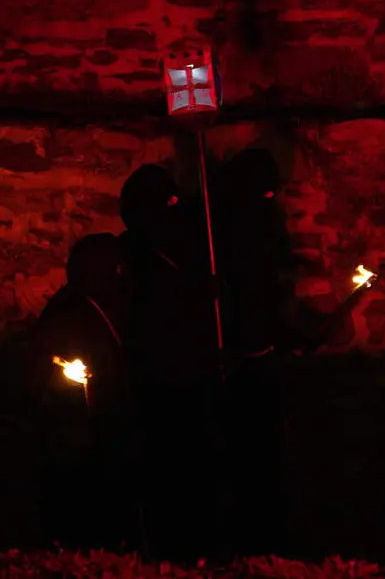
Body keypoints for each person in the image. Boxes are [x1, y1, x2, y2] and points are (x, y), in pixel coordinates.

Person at [118, 164, 221, 561]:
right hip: (154, 379)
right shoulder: (132, 253)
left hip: (190, 376)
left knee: (192, 469)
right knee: (162, 469)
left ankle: (192, 549)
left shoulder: (192, 246)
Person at [25, 233, 140, 550]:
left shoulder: (91, 309)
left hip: (90, 442)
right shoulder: (71, 315)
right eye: (115, 269)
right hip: (73, 448)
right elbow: (51, 382)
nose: (122, 277)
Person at [213, 148, 303, 556]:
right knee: (252, 461)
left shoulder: (254, 227)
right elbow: (253, 294)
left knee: (264, 463)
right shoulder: (242, 230)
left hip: (258, 355)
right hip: (242, 362)